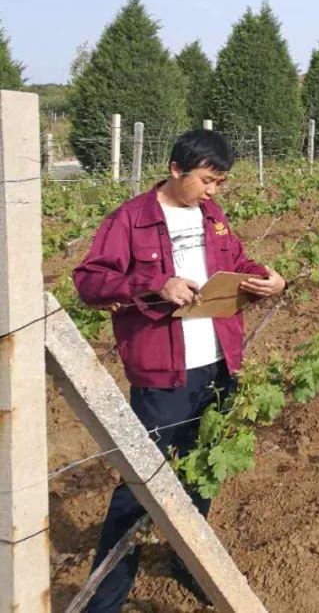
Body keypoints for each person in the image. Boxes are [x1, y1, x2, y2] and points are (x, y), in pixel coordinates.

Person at [73, 129, 286, 611]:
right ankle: (104, 600)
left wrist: (267, 279)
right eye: (207, 180)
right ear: (175, 170)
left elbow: (236, 261)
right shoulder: (130, 219)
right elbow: (90, 281)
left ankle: (187, 561)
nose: (213, 191)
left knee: (201, 471)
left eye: (220, 182)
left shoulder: (213, 216)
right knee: (139, 487)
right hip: (162, 374)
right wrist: (156, 283)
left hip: (218, 364)